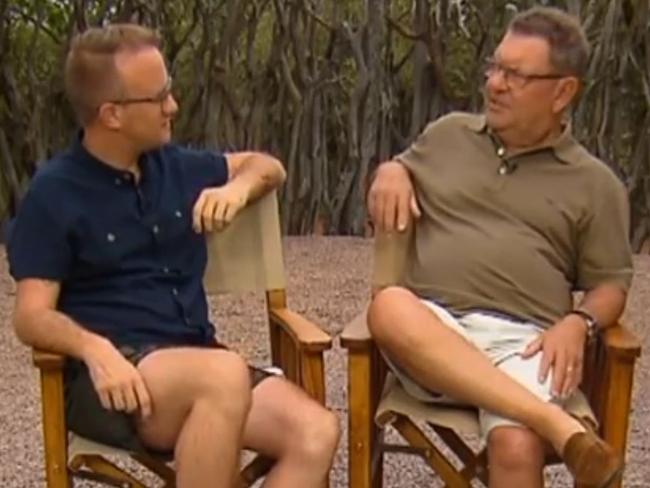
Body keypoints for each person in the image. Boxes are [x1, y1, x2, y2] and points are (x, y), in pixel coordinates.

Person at [8, 24, 339, 488]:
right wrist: (95, 349)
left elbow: (268, 167)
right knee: (222, 376)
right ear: (112, 115)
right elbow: (30, 316)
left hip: (198, 365)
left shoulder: (176, 167)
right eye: (159, 96)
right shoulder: (53, 194)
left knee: (315, 431)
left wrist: (238, 188)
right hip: (115, 379)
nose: (173, 106)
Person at [366, 7, 631, 488]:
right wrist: (391, 171)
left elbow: (610, 285)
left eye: (516, 74)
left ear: (563, 92)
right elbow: (401, 165)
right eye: (495, 67)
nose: (495, 84)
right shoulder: (448, 136)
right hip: (432, 333)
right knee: (388, 306)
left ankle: (528, 417)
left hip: (525, 343)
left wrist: (581, 321)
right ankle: (557, 426)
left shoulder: (596, 185)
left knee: (516, 442)